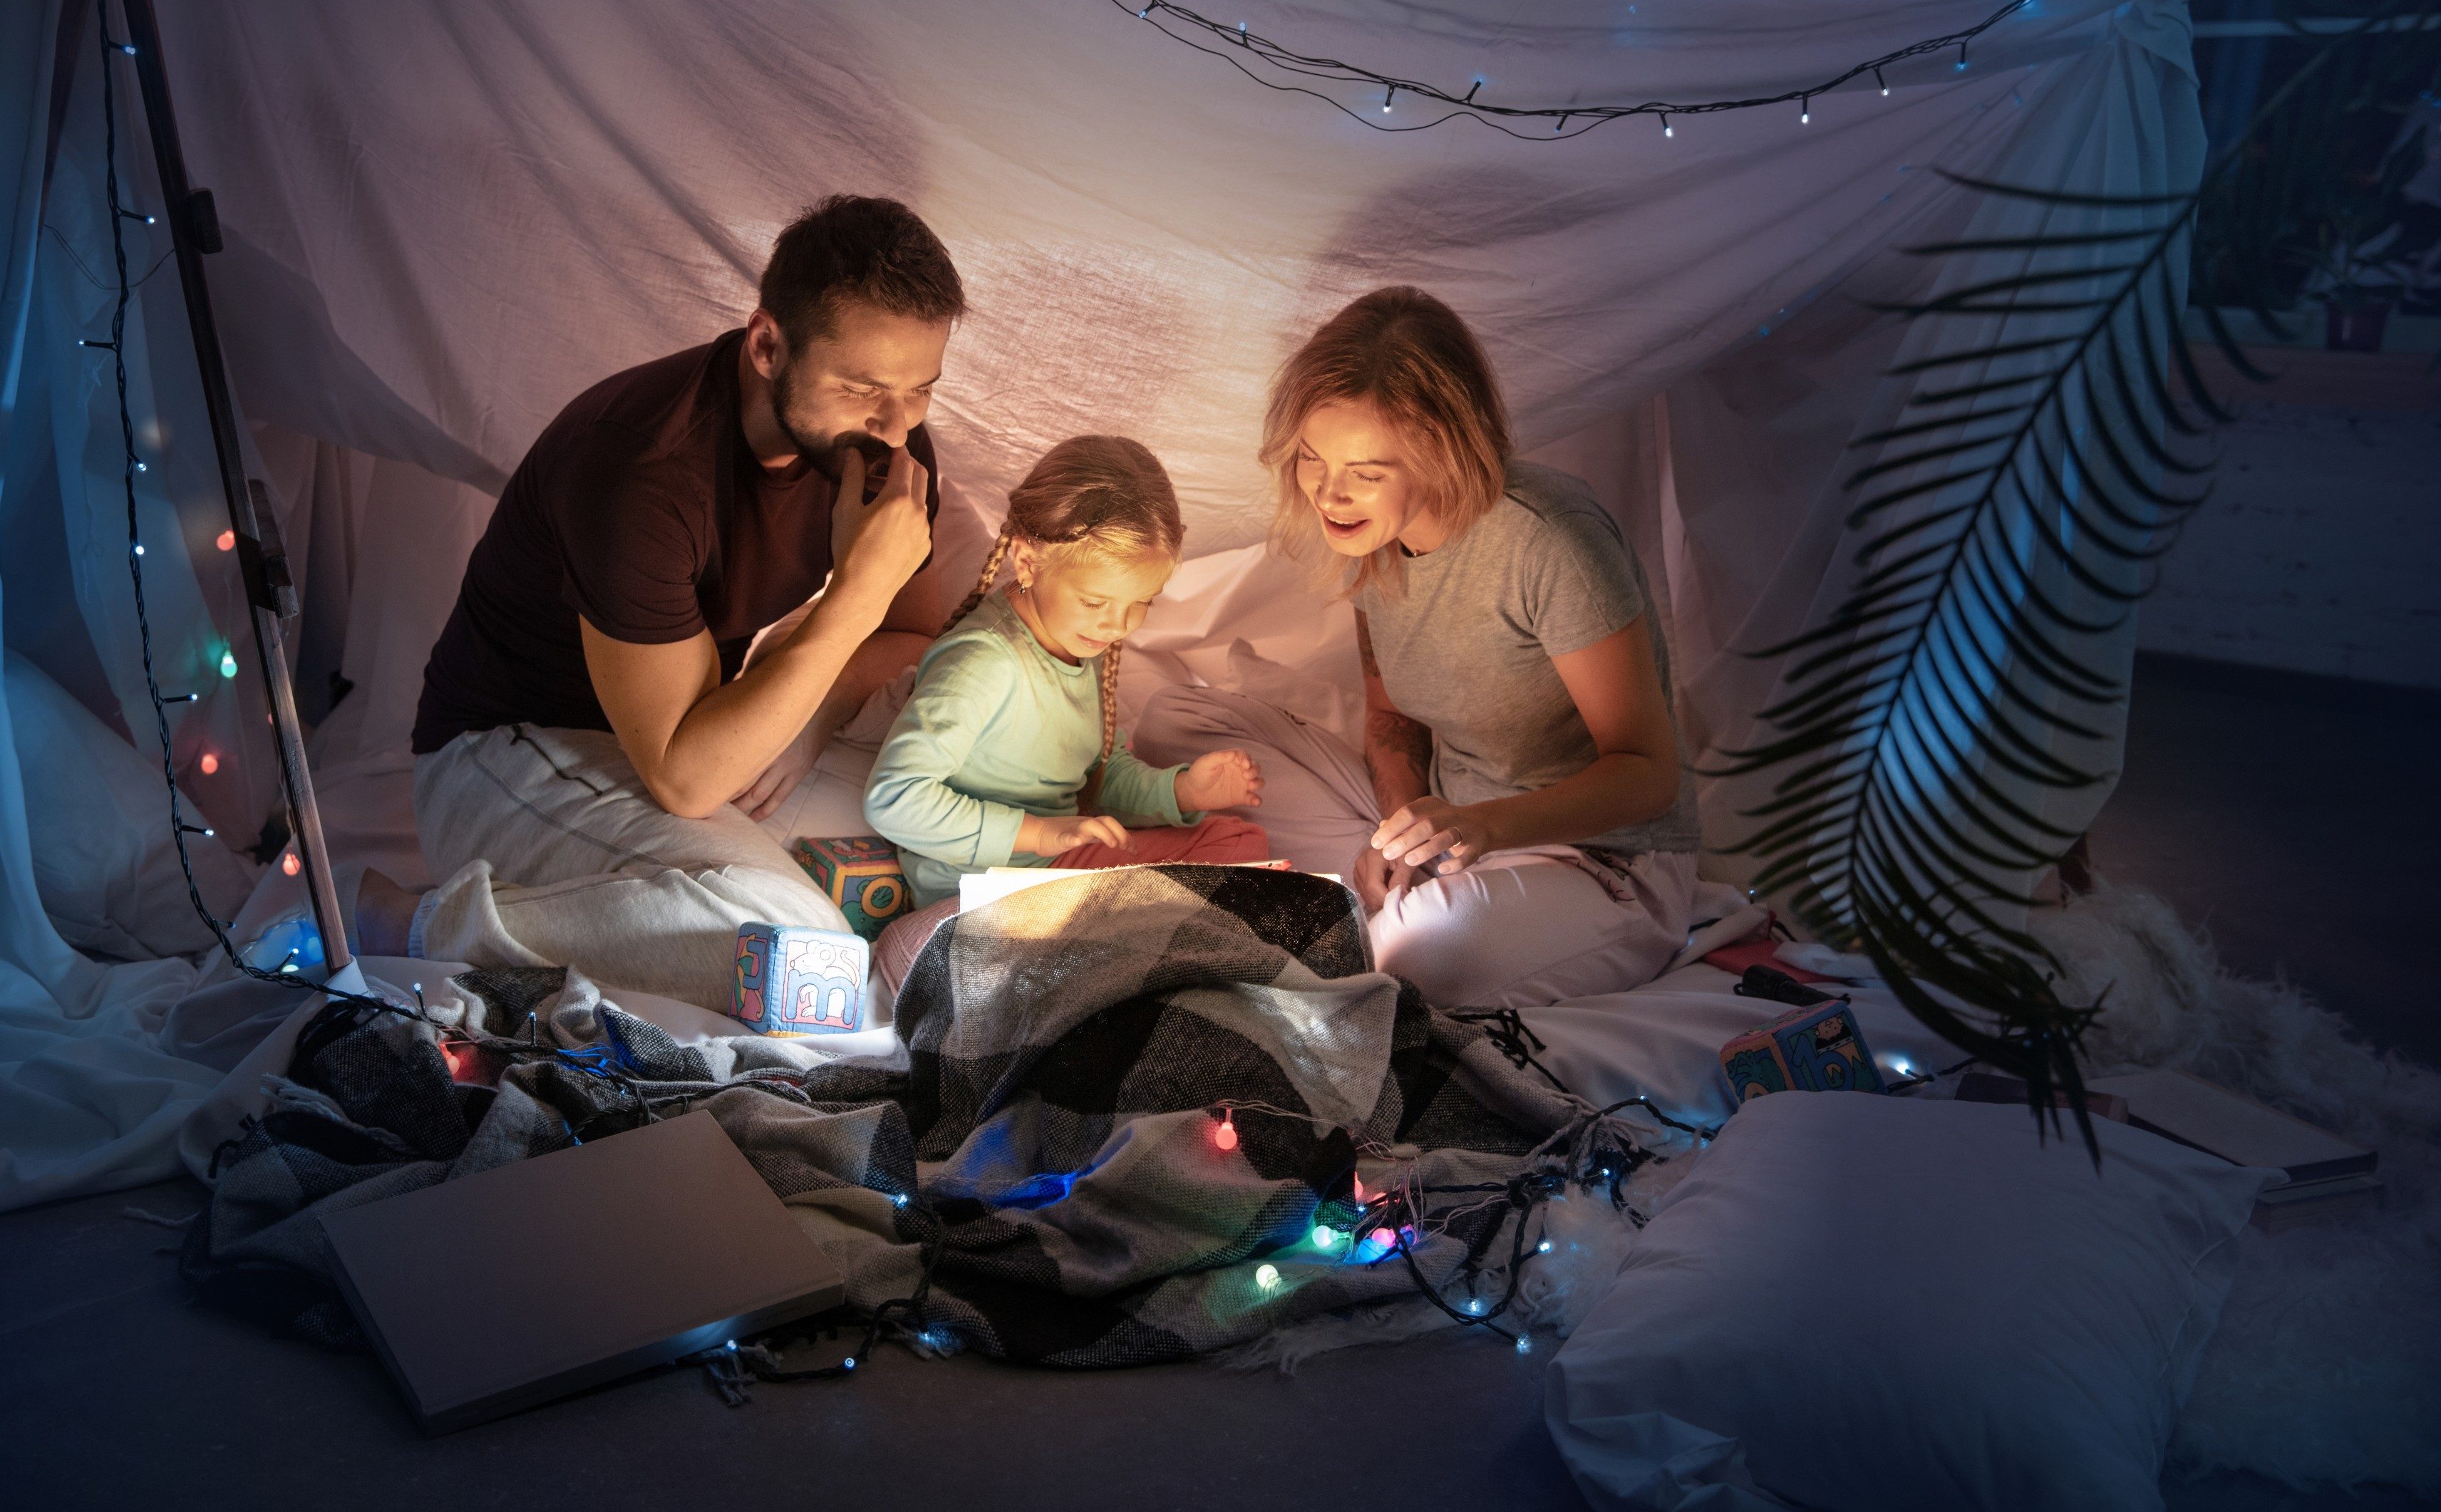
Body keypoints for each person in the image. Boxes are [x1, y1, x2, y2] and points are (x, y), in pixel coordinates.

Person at [376, 195, 959, 1008]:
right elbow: (684, 780)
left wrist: (812, 717)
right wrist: (853, 596)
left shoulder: (885, 441)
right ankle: (417, 924)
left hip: (691, 734)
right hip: (512, 751)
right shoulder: (639, 469)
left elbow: (913, 631)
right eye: (862, 386)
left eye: (921, 389)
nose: (897, 427)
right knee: (805, 952)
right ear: (767, 345)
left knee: (921, 840)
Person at [1132, 288, 1728, 1011]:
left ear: (1439, 454)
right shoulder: (1374, 544)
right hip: (1450, 824)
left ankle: (1422, 914)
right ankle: (1392, 889)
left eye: (1367, 473)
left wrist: (1482, 826)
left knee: (1406, 962)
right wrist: (1403, 831)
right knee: (1173, 727)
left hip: (1602, 859)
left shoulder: (1552, 541)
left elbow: (1647, 774)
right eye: (1313, 459)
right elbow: (1392, 725)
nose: (1329, 494)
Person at [862, 436, 1267, 993]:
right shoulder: (985, 661)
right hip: (988, 887)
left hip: (1061, 873)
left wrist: (1183, 793)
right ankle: (954, 948)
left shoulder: (1082, 647)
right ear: (1028, 560)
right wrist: (1040, 832)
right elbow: (893, 798)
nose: (1117, 625)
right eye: (1097, 602)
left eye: (1139, 604)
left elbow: (1100, 778)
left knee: (1239, 846)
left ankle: (1112, 959)